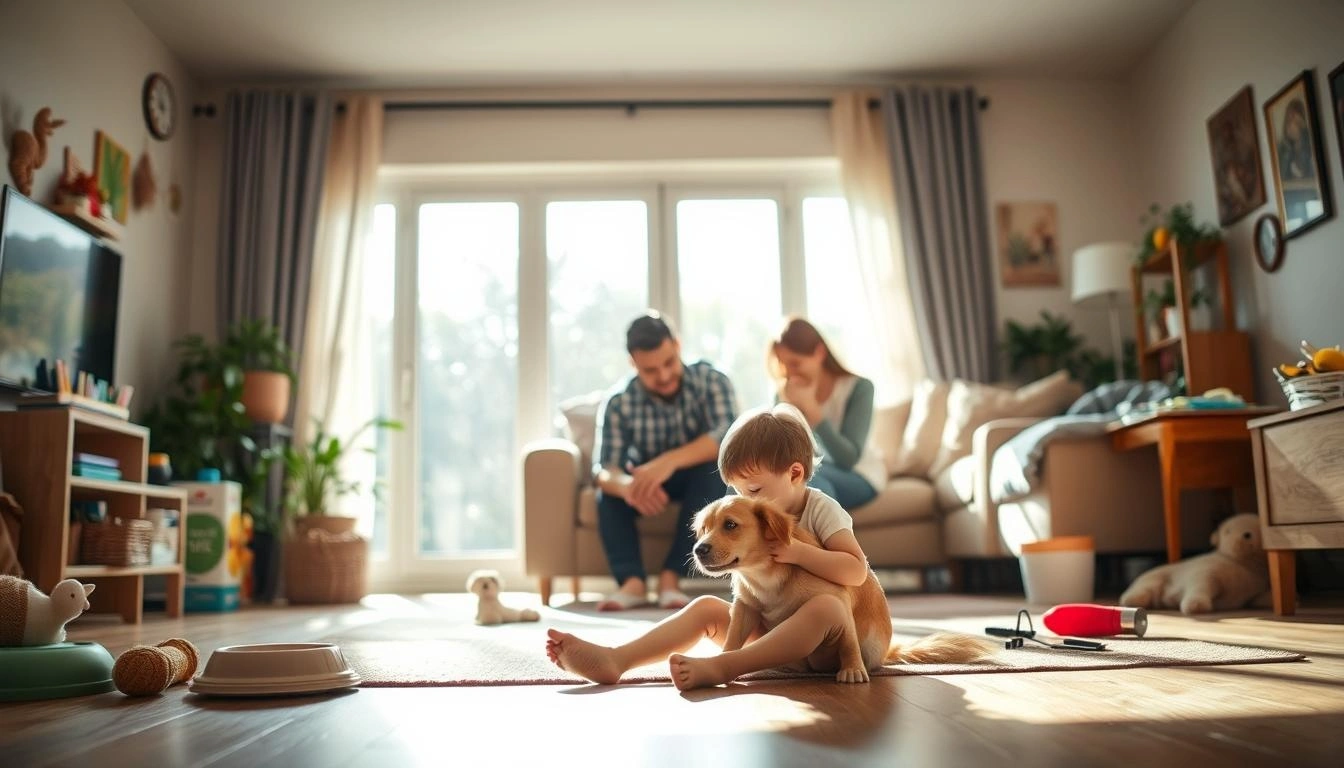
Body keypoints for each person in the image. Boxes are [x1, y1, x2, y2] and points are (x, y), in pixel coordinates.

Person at [546, 403, 873, 689]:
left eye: (754, 489)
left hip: (836, 644)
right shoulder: (750, 529)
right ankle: (617, 659)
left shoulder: (821, 510)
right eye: (739, 491)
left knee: (827, 606)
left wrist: (800, 552)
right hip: (782, 645)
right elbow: (746, 604)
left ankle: (726, 667)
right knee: (705, 607)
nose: (745, 499)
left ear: (795, 473)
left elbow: (857, 573)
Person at [589, 311, 737, 611]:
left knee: (713, 472)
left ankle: (672, 578)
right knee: (608, 495)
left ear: (677, 346)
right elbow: (605, 469)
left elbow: (727, 438)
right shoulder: (619, 402)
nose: (664, 376)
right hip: (646, 480)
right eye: (650, 370)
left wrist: (668, 461)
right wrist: (630, 487)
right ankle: (632, 583)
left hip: (698, 475)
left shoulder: (712, 380)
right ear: (633, 363)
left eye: (668, 363)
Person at [768, 317, 884, 510]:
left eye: (795, 363)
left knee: (807, 482)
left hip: (859, 473)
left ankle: (828, 539)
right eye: (782, 364)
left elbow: (848, 459)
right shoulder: (784, 395)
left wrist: (812, 410)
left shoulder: (859, 388)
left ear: (819, 353)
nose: (789, 373)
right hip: (812, 471)